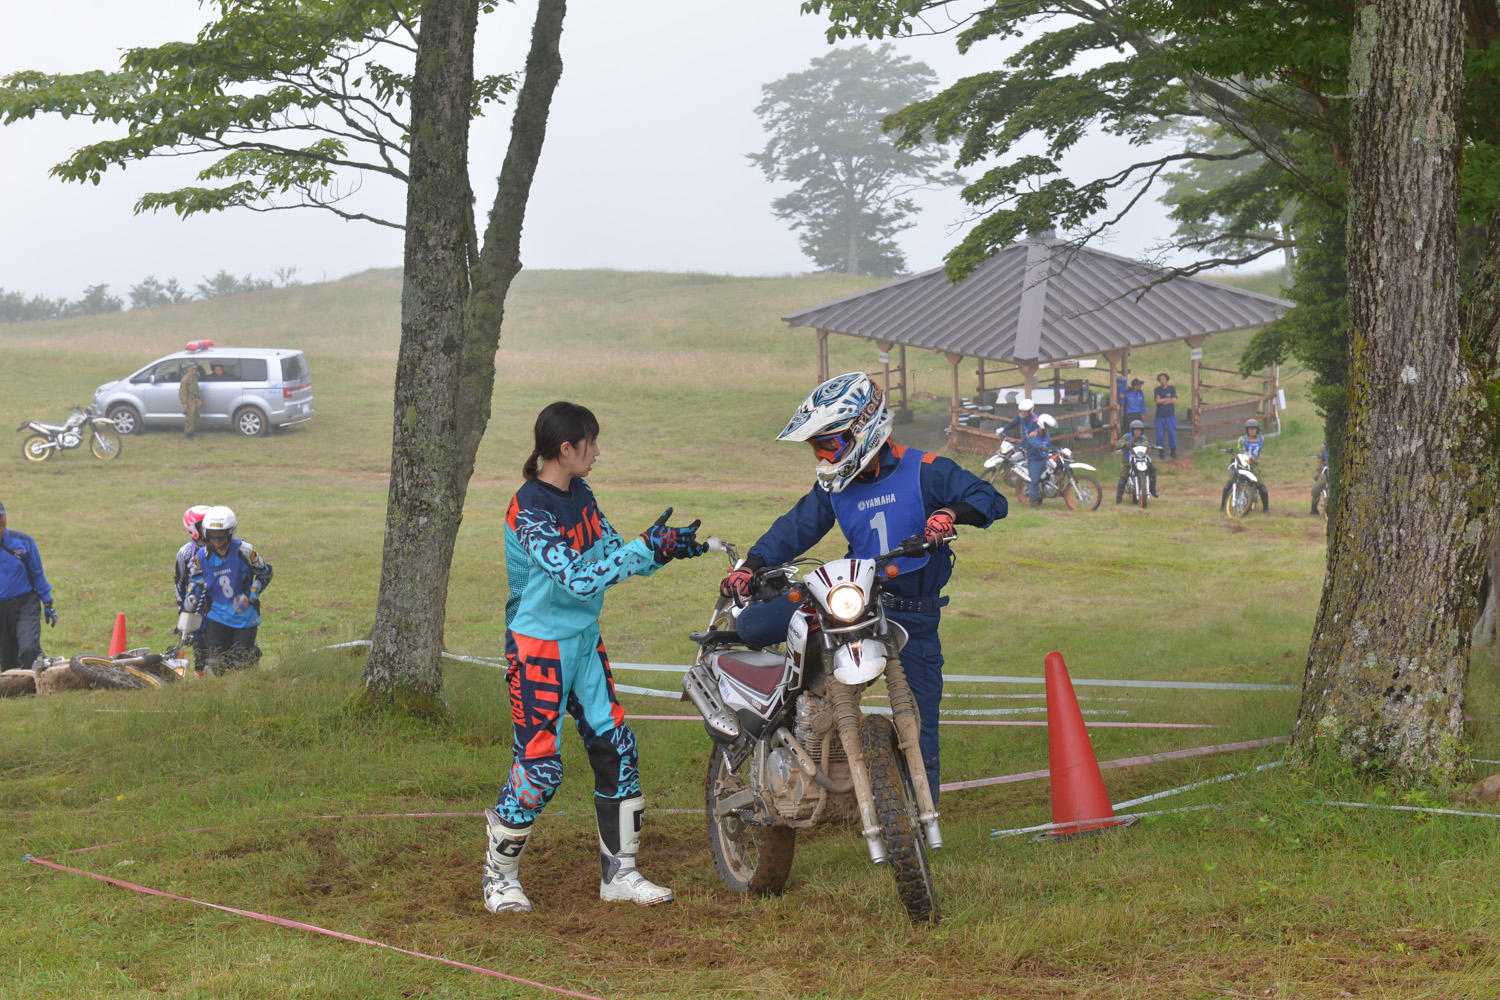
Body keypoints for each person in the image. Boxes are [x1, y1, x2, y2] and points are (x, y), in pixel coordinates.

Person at [722, 372, 1007, 796]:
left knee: (920, 716)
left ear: (863, 428)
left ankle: (920, 811)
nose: (821, 455)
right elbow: (796, 527)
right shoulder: (832, 488)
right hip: (850, 602)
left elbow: (990, 499)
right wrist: (753, 564)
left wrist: (949, 514)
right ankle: (772, 727)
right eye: (815, 446)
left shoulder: (926, 471)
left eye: (828, 443)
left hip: (914, 615)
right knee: (750, 626)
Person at [484, 401, 707, 915]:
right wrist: (641, 550)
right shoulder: (527, 510)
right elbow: (580, 577)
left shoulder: (580, 493)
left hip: (584, 640)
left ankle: (620, 875)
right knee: (539, 769)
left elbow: (608, 554)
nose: (598, 452)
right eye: (592, 443)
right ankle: (499, 877)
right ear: (567, 448)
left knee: (618, 748)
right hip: (537, 649)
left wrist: (661, 549)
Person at [186, 506, 272, 673]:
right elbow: (196, 582)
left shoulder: (245, 551)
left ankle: (251, 656)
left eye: (221, 535)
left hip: (244, 615)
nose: (217, 540)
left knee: (240, 663)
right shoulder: (201, 557)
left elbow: (265, 574)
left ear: (230, 532)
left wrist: (250, 597)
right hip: (216, 615)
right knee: (216, 663)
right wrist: (190, 601)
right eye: (212, 535)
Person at [0, 501, 56, 671]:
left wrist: (48, 603)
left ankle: (38, 683)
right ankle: (45, 666)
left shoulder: (23, 542)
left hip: (25, 603)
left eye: (1, 523)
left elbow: (37, 573)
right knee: (9, 663)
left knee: (28, 649)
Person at [174, 505, 212, 675]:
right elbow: (180, 583)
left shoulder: (224, 547)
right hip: (198, 609)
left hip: (223, 607)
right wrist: (183, 613)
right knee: (200, 648)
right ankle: (201, 677)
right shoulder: (186, 553)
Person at [1221, 418, 1271, 512]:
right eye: (1250, 429)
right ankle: (1223, 506)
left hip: (1253, 465)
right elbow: (1241, 450)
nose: (1252, 431)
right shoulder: (1242, 439)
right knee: (1229, 484)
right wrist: (1249, 456)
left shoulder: (1261, 438)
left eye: (1254, 429)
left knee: (1261, 486)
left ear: (1257, 429)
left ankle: (1266, 508)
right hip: (1241, 463)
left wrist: (1253, 459)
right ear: (1247, 430)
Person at [1114, 419, 1158, 503]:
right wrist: (1126, 444)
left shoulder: (1143, 438)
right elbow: (1118, 445)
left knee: (1153, 469)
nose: (1138, 432)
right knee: (1123, 478)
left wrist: (1147, 446)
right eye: (1136, 430)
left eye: (1140, 430)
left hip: (1141, 460)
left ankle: (1153, 489)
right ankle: (1118, 499)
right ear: (1132, 430)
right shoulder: (1127, 436)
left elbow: (1146, 443)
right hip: (1128, 461)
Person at [1153, 372, 1178, 458]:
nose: (1162, 381)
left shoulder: (1172, 388)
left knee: (1172, 433)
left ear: (1167, 380)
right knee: (1160, 435)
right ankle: (1161, 452)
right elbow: (1157, 401)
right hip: (1159, 416)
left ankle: (1173, 451)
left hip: (1170, 415)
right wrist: (1168, 399)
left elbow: (1174, 400)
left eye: (1163, 379)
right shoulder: (1157, 389)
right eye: (1160, 380)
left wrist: (1162, 400)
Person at [180, 363, 202, 439]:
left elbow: (197, 389)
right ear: (188, 369)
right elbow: (183, 392)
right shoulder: (185, 379)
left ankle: (194, 431)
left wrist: (199, 399)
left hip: (195, 399)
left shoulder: (194, 378)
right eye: (192, 369)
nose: (194, 370)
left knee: (196, 416)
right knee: (190, 418)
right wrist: (184, 402)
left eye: (195, 369)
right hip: (189, 400)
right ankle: (189, 433)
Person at [1310, 442, 1329, 515]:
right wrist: (1317, 473)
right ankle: (1314, 508)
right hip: (1326, 472)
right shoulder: (1324, 447)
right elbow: (1320, 461)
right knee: (1316, 489)